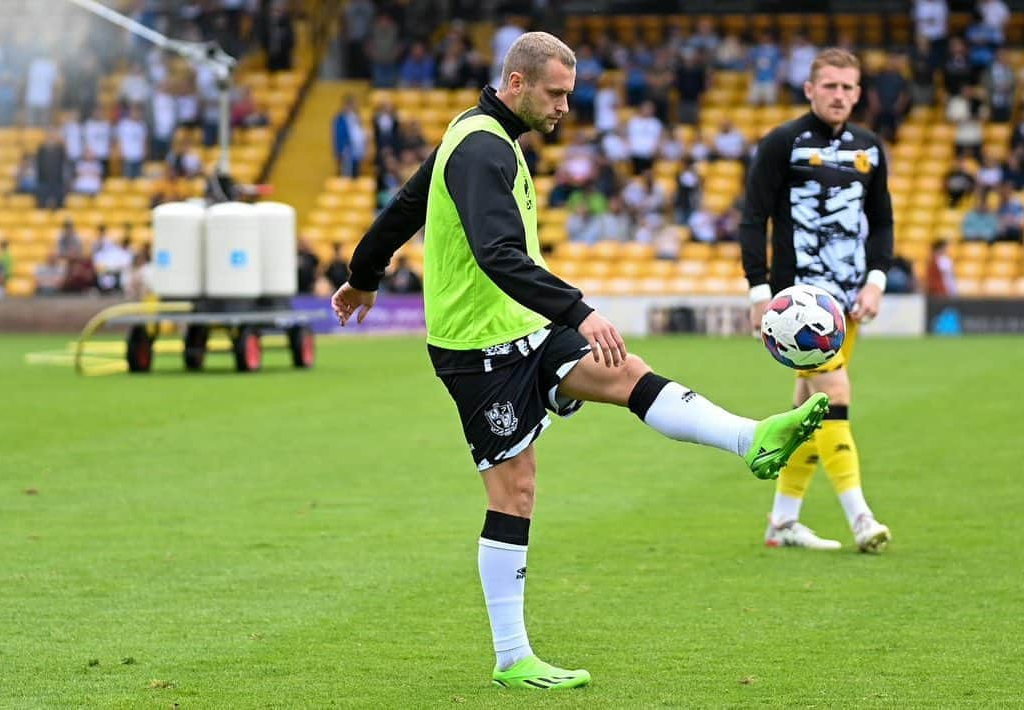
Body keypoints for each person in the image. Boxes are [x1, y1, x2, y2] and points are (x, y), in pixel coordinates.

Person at [330, 31, 830, 690]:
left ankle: (750, 439)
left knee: (624, 372)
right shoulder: (482, 148)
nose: (567, 106)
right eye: (556, 93)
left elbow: (404, 206)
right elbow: (497, 255)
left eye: (570, 92)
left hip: (523, 324)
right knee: (517, 489)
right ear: (517, 84)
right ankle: (512, 658)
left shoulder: (479, 134)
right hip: (478, 347)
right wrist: (579, 310)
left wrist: (363, 273)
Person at [740, 48, 893, 553]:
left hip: (848, 305)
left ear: (858, 92)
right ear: (809, 89)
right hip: (801, 309)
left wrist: (875, 280)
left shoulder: (870, 147)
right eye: (830, 85)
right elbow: (752, 217)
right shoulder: (782, 142)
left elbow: (883, 222)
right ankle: (861, 518)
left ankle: (782, 521)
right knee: (836, 395)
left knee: (808, 411)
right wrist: (760, 292)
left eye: (849, 87)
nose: (840, 95)